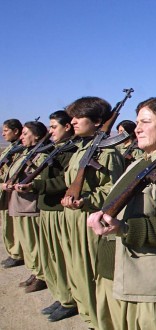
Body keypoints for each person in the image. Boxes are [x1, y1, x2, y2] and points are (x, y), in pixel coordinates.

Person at [87, 97, 156, 330]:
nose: (136, 128)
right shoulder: (138, 165)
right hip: (117, 279)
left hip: (151, 290)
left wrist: (123, 229)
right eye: (137, 121)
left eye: (145, 122)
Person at [60, 97, 125, 329]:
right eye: (72, 117)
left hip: (91, 221)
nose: (73, 122)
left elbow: (113, 192)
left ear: (98, 121)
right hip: (72, 218)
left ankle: (98, 321)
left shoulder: (107, 152)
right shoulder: (82, 149)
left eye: (79, 118)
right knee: (77, 269)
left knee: (92, 274)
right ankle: (88, 315)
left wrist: (86, 200)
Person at [16, 110, 79, 321]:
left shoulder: (72, 150)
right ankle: (61, 295)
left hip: (58, 210)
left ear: (67, 127)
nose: (50, 131)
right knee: (50, 258)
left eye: (54, 127)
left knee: (62, 259)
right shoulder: (56, 149)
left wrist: (36, 185)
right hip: (46, 207)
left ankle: (69, 299)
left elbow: (65, 181)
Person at [2, 121, 49, 293]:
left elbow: (40, 178)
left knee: (34, 244)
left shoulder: (42, 155)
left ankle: (41, 275)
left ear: (36, 135)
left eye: (25, 133)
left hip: (29, 205)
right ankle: (34, 272)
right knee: (27, 244)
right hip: (18, 202)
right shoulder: (26, 152)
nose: (21, 136)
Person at [0, 119, 25, 268]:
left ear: (16, 131)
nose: (3, 134)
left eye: (6, 130)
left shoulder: (21, 149)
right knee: (7, 224)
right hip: (5, 189)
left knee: (15, 225)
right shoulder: (10, 148)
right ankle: (12, 252)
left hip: (14, 191)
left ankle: (17, 253)